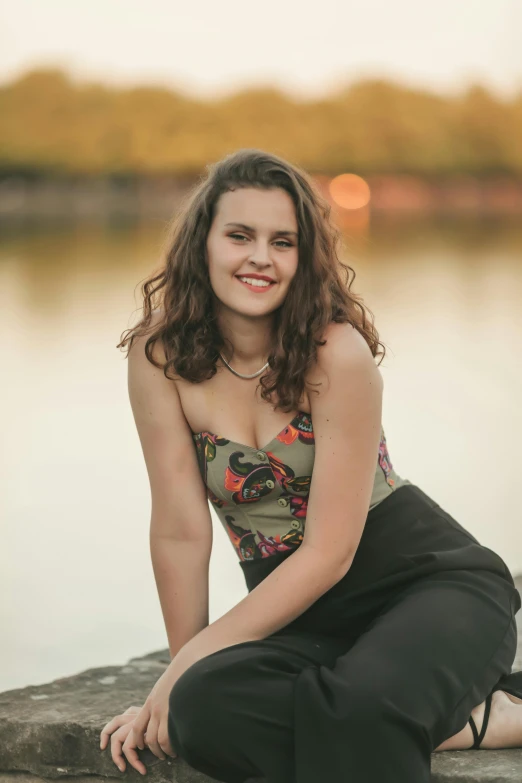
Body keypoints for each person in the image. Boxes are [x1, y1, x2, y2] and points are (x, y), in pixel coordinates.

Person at [100, 148, 522, 782]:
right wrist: (179, 672)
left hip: (427, 584)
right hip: (301, 615)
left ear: (304, 259)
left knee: (362, 703)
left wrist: (197, 657)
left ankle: (454, 712)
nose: (260, 258)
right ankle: (467, 722)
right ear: (202, 243)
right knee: (200, 711)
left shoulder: (337, 354)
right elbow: (181, 531)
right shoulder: (159, 357)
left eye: (283, 241)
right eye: (239, 235)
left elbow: (329, 553)